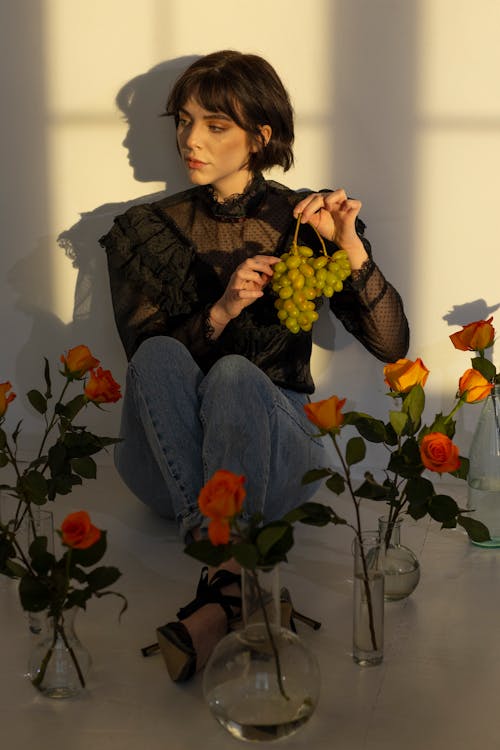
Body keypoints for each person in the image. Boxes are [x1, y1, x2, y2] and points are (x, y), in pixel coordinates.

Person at [99, 50, 409, 682]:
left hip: (275, 460)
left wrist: (348, 244)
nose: (189, 139)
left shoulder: (309, 220)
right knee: (162, 351)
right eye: (184, 120)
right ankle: (239, 578)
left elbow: (391, 344)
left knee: (240, 375)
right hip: (165, 464)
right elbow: (147, 370)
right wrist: (223, 307)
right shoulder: (143, 229)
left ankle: (222, 580)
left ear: (260, 137)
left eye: (215, 125)